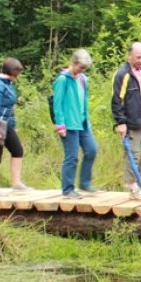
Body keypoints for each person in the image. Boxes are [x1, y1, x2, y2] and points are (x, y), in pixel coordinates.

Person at [111, 41, 141, 200]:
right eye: (138, 57)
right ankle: (132, 187)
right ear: (129, 56)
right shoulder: (122, 75)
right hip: (132, 122)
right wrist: (120, 122)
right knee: (134, 155)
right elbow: (117, 100)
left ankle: (138, 180)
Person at [53, 49, 99, 198]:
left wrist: (87, 120)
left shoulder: (83, 79)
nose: (82, 70)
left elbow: (84, 101)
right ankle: (67, 189)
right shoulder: (63, 79)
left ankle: (85, 182)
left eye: (85, 68)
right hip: (69, 124)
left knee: (91, 150)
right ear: (73, 63)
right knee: (72, 156)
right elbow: (57, 103)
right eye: (80, 67)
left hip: (82, 122)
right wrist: (60, 125)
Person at [0, 57, 29, 196]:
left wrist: (12, 125)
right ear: (12, 72)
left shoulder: (8, 83)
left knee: (17, 150)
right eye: (17, 74)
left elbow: (10, 107)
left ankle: (16, 183)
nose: (18, 77)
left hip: (6, 124)